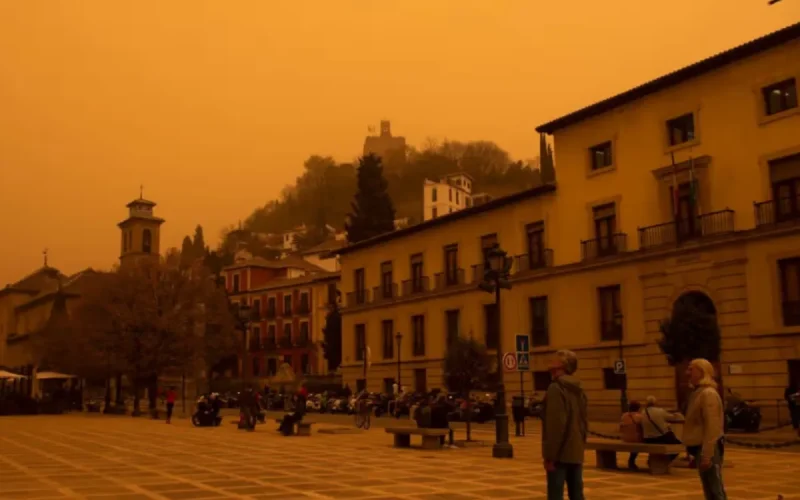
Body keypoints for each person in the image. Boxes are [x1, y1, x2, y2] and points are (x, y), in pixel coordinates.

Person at [542, 349, 587, 500]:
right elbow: (583, 422)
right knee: (577, 495)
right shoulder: (579, 389)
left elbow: (556, 427)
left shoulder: (556, 388)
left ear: (562, 365)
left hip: (560, 455)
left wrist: (550, 457)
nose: (549, 365)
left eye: (553, 361)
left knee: (555, 495)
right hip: (576, 451)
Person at [683, 358, 727, 500]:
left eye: (691, 369)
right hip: (701, 448)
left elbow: (712, 426)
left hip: (708, 448)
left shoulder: (708, 394)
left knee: (715, 490)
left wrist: (707, 454)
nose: (687, 373)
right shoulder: (697, 393)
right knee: (709, 490)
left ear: (702, 372)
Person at [619, 401, 644, 470]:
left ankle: (631, 461)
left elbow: (620, 428)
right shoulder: (640, 416)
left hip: (625, 438)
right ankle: (632, 461)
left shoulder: (624, 416)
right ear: (638, 408)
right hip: (636, 439)